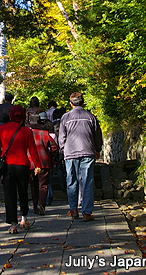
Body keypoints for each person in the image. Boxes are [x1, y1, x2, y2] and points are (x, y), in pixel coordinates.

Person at [0, 105, 42, 234]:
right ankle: (24, 218)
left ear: (10, 115)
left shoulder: (2, 129)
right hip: (23, 165)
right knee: (23, 192)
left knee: (9, 194)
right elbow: (33, 150)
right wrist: (37, 165)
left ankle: (13, 224)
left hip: (8, 165)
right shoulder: (27, 131)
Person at [59, 91, 103, 222]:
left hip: (71, 153)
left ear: (71, 104)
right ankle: (87, 212)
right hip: (87, 151)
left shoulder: (65, 117)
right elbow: (97, 136)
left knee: (71, 181)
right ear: (83, 103)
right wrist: (97, 149)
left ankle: (73, 209)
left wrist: (63, 150)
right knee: (87, 181)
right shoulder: (90, 117)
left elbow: (62, 138)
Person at [29, 112, 58, 215]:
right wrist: (50, 156)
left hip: (31, 162)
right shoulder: (44, 133)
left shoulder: (27, 133)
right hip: (44, 161)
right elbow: (54, 147)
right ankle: (41, 204)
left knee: (34, 185)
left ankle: (35, 205)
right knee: (43, 185)